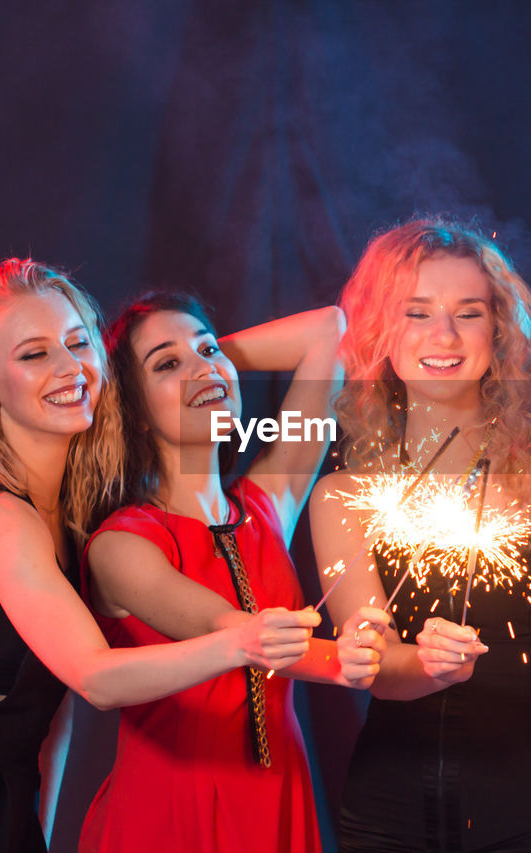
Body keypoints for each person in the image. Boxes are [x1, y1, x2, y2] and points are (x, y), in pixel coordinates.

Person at [0, 260, 324, 853]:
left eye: (79, 344)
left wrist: (200, 362)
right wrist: (242, 642)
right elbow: (94, 677)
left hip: (1, 819)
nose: (70, 366)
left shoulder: (73, 522)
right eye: (34, 354)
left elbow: (50, 716)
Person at [309, 219, 531, 852]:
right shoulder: (343, 495)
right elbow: (373, 665)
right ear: (379, 331)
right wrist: (426, 667)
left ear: (500, 329)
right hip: (386, 817)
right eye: (416, 313)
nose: (443, 335)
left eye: (468, 313)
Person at [78, 292, 389, 853]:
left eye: (208, 347)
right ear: (135, 413)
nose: (202, 365)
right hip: (173, 811)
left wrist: (209, 366)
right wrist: (343, 660)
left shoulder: (268, 502)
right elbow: (235, 628)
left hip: (279, 798)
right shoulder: (121, 544)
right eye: (166, 363)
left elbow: (327, 329)